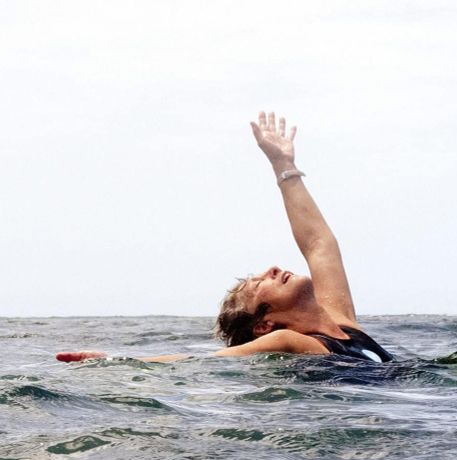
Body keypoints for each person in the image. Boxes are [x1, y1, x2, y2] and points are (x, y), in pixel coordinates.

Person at [56, 112, 392, 364]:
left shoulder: (342, 320)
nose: (272, 269)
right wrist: (112, 362)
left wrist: (283, 165)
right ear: (264, 325)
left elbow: (319, 244)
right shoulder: (292, 341)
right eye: (259, 284)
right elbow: (204, 362)